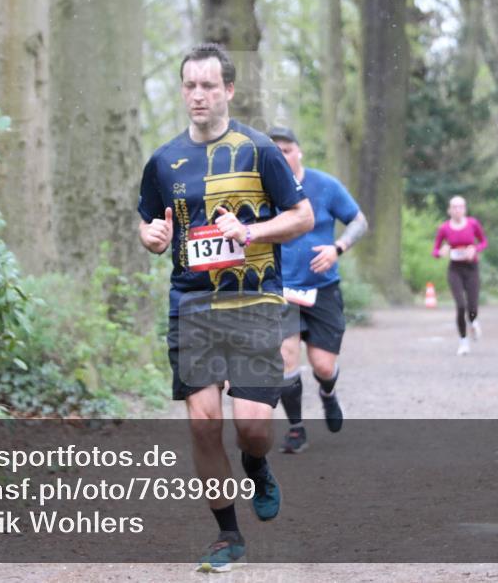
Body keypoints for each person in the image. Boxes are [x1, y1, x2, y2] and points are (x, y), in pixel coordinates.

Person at [137, 43, 314, 573]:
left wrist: (254, 230)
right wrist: (151, 235)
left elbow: (302, 217)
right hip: (192, 304)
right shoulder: (164, 161)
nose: (197, 95)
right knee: (202, 424)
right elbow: (146, 219)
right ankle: (227, 534)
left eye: (208, 86)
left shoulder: (259, 151)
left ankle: (257, 465)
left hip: (255, 302)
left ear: (228, 91)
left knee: (252, 429)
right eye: (190, 85)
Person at [267, 126, 367, 454]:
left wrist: (337, 248)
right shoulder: (261, 189)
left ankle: (327, 393)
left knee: (323, 365)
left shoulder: (324, 185)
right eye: (275, 150)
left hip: (322, 288)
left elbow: (359, 221)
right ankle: (296, 428)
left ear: (299, 152)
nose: (282, 155)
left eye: (287, 149)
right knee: (285, 356)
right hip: (281, 289)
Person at [432, 196, 488, 356]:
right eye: (454, 207)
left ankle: (473, 321)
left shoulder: (472, 224)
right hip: (455, 270)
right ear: (449, 210)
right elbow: (435, 251)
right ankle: (463, 341)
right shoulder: (444, 228)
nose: (457, 210)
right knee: (460, 305)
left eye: (461, 207)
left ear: (465, 209)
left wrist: (475, 249)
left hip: (472, 268)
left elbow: (484, 242)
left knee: (472, 306)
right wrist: (441, 252)